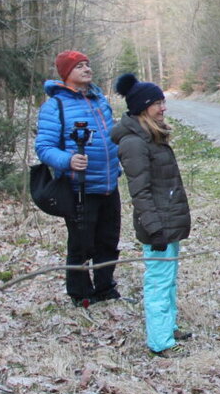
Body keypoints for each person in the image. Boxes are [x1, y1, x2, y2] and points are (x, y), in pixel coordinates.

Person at [111, 74, 192, 357]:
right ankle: (160, 341)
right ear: (143, 107)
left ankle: (168, 327)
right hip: (158, 225)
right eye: (158, 103)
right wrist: (155, 228)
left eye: (163, 101)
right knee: (158, 280)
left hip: (168, 221)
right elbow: (140, 193)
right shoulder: (134, 143)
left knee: (168, 278)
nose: (163, 108)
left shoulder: (150, 136)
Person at [34, 50, 122, 308]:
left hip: (108, 183)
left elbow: (112, 136)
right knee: (81, 243)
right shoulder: (55, 106)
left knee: (108, 239)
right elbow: (44, 147)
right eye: (79, 66)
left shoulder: (99, 101)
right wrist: (68, 160)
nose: (86, 69)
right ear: (66, 73)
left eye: (87, 64)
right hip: (78, 187)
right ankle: (81, 293)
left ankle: (106, 287)